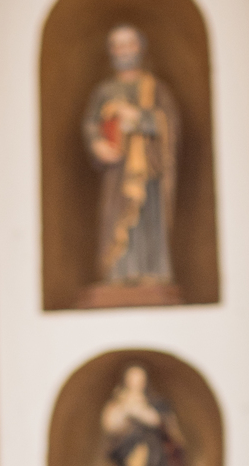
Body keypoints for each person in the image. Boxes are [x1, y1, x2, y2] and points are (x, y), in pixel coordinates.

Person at [83, 25, 179, 292]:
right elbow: (91, 125)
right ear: (112, 52)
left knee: (148, 221)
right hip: (116, 172)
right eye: (118, 45)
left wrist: (137, 117)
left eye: (129, 44)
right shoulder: (105, 91)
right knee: (116, 218)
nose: (124, 51)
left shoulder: (155, 88)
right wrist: (97, 143)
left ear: (140, 48)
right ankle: (118, 273)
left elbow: (168, 123)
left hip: (147, 169)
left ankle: (151, 271)